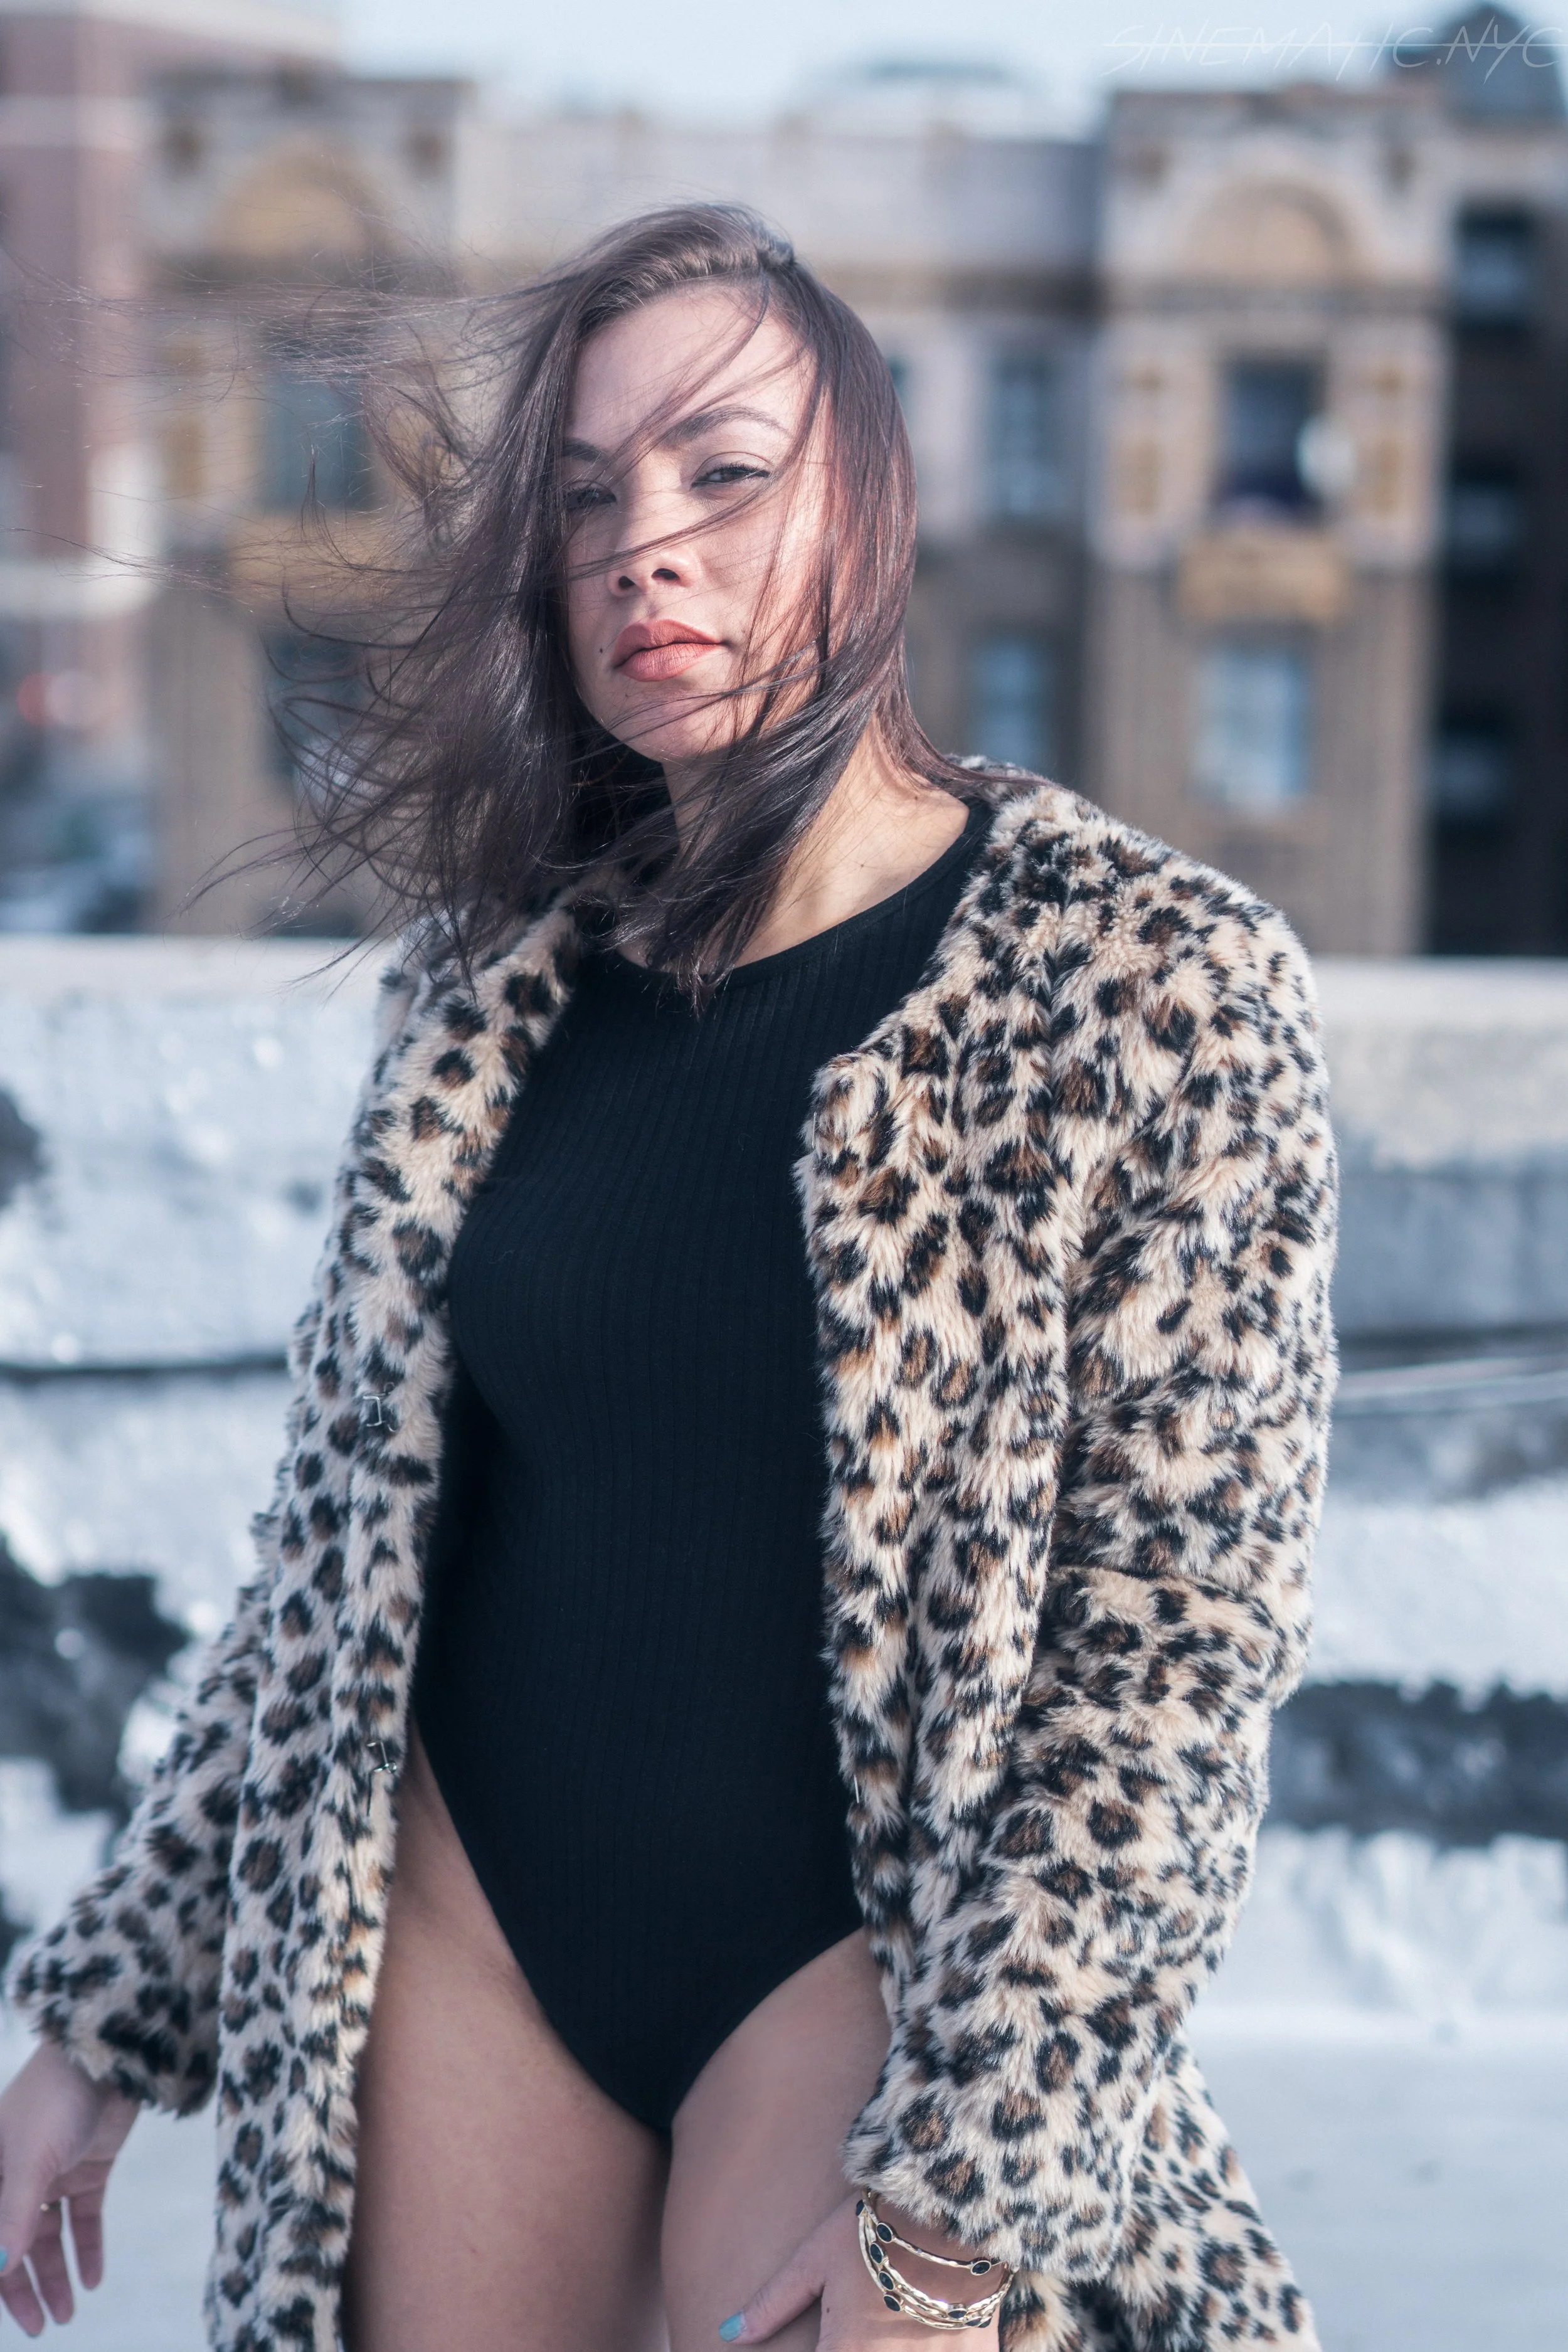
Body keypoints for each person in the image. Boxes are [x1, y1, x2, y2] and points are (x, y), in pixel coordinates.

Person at [0, 206, 1337, 2352]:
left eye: (724, 470)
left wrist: (964, 2199)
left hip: (859, 1976)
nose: (649, 546)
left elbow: (1172, 1648)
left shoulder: (1147, 981)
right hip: (474, 1948)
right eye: (591, 496)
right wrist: (104, 2020)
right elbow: (339, 1563)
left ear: (873, 500)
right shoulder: (486, 996)